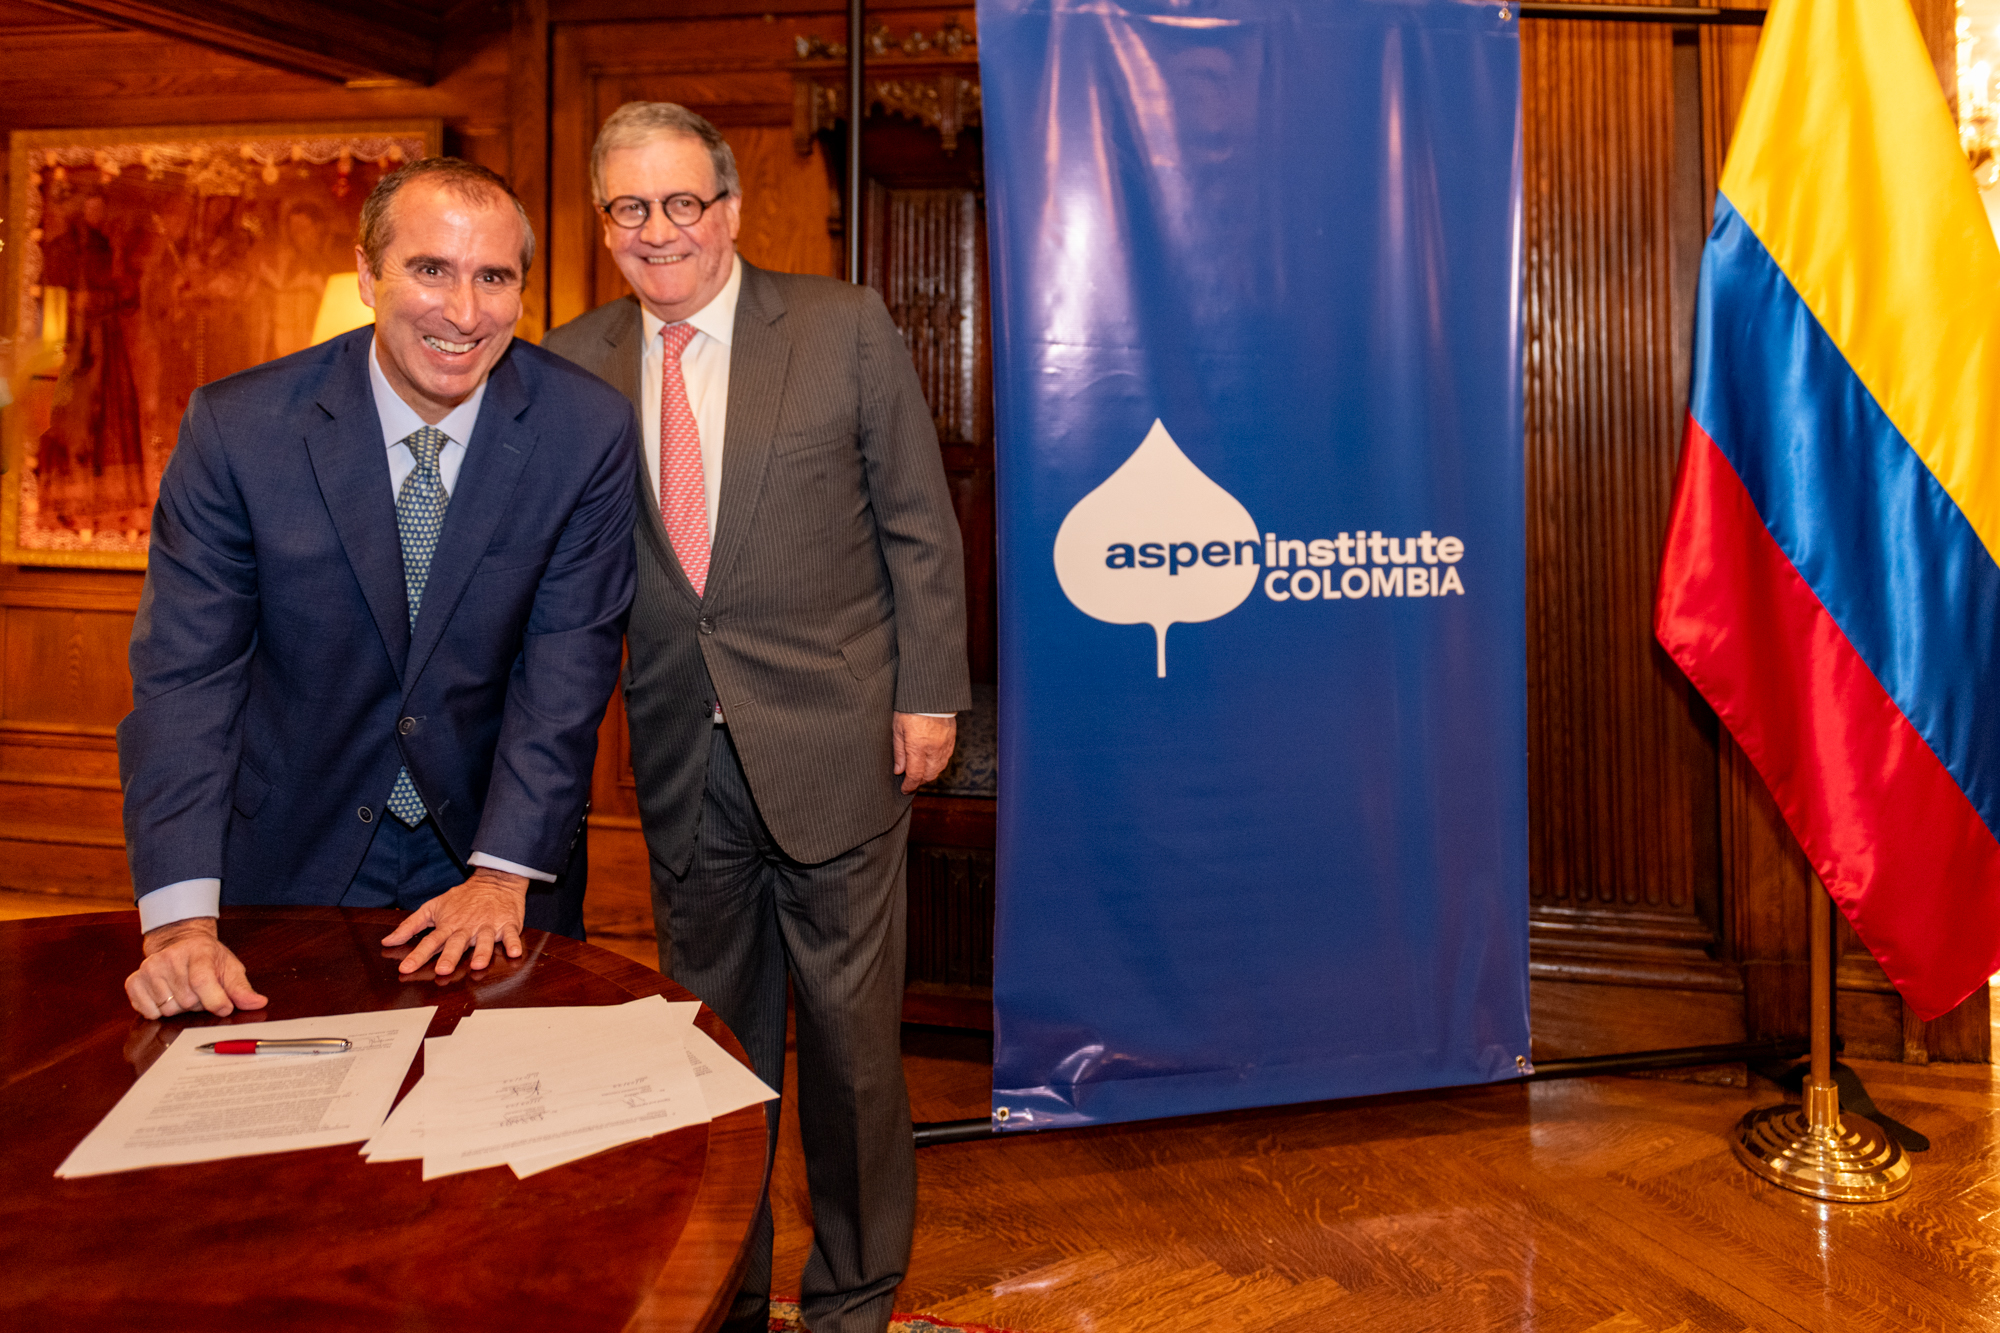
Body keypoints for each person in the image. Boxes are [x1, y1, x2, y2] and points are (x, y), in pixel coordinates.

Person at [544, 103, 969, 1333]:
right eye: (630, 207)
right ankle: (724, 1294)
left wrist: (927, 694)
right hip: (681, 755)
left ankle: (853, 1299)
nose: (658, 230)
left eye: (682, 202)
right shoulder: (568, 363)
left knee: (849, 1054)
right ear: (604, 224)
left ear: (727, 210)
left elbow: (918, 524)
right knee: (705, 1055)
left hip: (840, 744)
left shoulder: (841, 327)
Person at [119, 158, 639, 1021]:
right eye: (431, 269)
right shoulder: (238, 430)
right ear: (367, 275)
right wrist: (180, 923)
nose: (464, 312)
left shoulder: (586, 429)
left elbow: (567, 669)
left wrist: (502, 875)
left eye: (493, 277)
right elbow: (188, 681)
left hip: (491, 846)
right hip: (289, 846)